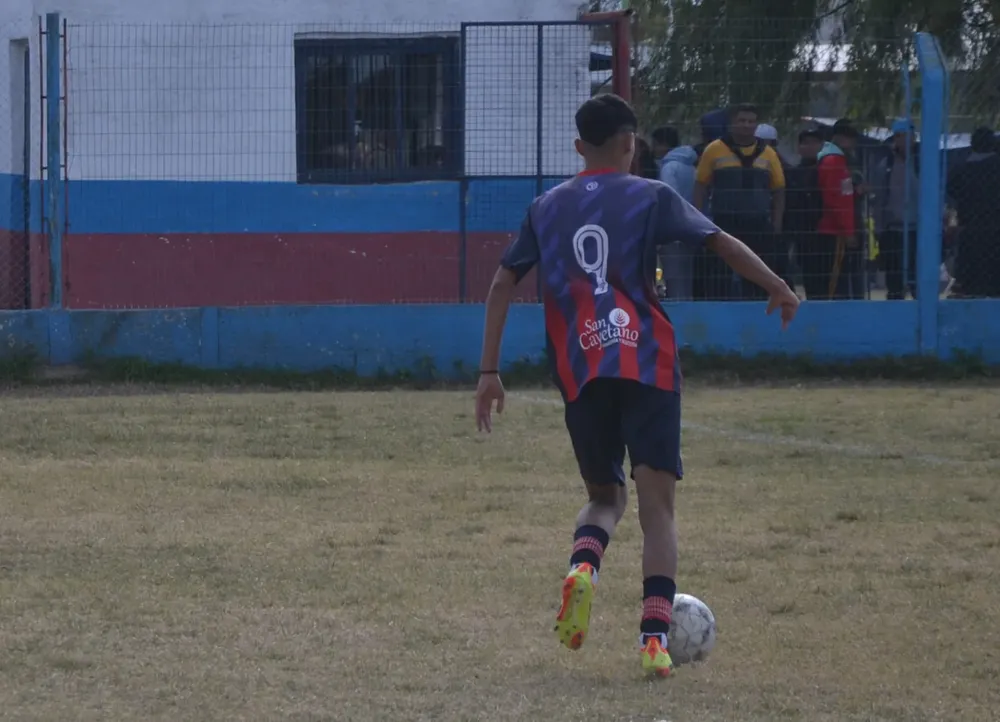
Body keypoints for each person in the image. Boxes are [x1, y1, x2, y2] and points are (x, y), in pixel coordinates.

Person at [474, 94, 799, 678]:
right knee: (657, 512)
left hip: (580, 367)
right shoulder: (651, 195)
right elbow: (719, 241)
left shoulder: (545, 207)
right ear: (632, 144)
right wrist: (777, 284)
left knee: (605, 498)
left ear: (579, 148)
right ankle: (654, 640)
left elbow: (502, 282)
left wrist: (489, 372)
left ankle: (584, 565)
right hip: (647, 362)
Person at [692, 104, 786, 300]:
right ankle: (721, 315)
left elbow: (778, 190)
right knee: (719, 276)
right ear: (731, 124)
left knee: (758, 274)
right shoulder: (714, 149)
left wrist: (776, 224)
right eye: (741, 121)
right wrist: (698, 220)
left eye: (751, 121)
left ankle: (756, 312)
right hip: (724, 222)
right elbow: (700, 185)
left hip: (758, 223)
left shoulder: (768, 153)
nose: (746, 125)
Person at [802, 119, 858, 299]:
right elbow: (838, 200)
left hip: (826, 228)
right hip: (833, 230)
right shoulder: (835, 162)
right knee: (833, 284)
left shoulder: (826, 159)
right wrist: (848, 231)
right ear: (843, 139)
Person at [946, 127, 1000, 297]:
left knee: (970, 280)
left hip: (969, 227)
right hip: (995, 228)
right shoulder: (996, 167)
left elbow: (952, 190)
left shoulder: (963, 169)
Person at [872, 120, 920, 300]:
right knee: (894, 278)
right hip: (892, 229)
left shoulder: (923, 162)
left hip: (918, 229)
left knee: (917, 276)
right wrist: (878, 227)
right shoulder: (886, 164)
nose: (901, 141)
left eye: (905, 136)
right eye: (898, 137)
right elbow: (879, 198)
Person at [651, 125, 698, 300]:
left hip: (675, 229)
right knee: (687, 276)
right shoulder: (692, 166)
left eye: (655, 144)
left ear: (663, 145)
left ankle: (678, 315)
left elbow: (669, 197)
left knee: (674, 276)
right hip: (693, 226)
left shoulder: (669, 168)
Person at [782, 128, 825, 294]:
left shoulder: (829, 170)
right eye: (805, 142)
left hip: (826, 233)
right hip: (803, 234)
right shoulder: (793, 173)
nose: (810, 146)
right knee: (809, 276)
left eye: (815, 142)